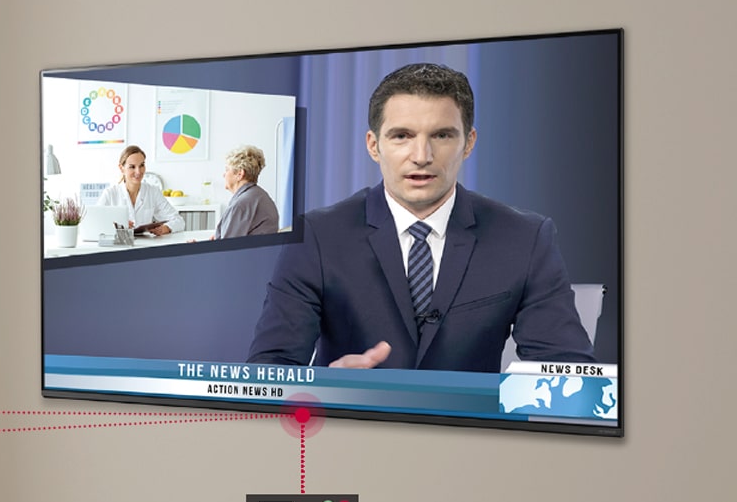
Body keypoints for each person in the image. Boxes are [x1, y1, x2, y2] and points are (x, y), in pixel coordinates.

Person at [246, 63, 594, 372]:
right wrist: (327, 387)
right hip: (351, 435)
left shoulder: (524, 237)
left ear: (469, 143)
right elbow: (268, 372)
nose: (421, 156)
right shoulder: (316, 236)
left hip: (474, 439)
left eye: (441, 135)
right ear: (373, 145)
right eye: (402, 136)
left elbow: (566, 371)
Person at [96, 145, 183, 236]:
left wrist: (166, 228)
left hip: (145, 245)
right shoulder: (110, 194)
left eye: (141, 165)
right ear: (121, 168)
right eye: (132, 167)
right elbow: (96, 222)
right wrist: (115, 225)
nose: (138, 172)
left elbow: (178, 221)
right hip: (119, 245)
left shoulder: (153, 192)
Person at [213, 145, 280, 239]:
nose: (224, 174)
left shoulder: (241, 205)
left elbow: (226, 249)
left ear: (239, 174)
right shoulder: (259, 196)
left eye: (227, 170)